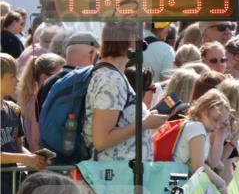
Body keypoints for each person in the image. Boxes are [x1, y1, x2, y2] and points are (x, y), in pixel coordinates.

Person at [83, 22, 168, 162]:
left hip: (121, 174)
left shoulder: (112, 74)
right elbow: (101, 140)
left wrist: (146, 118)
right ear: (130, 39)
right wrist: (145, 123)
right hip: (115, 176)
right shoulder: (111, 80)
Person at [1, 53, 48, 194]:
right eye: (12, 76)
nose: (17, 80)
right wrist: (25, 159)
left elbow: (19, 147)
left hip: (14, 189)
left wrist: (35, 159)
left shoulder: (14, 110)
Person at [167, 89, 229, 194]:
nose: (217, 126)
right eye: (215, 120)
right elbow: (198, 165)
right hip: (175, 183)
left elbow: (210, 161)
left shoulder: (198, 127)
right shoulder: (197, 128)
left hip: (176, 181)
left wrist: (221, 166)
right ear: (202, 110)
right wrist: (221, 184)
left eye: (221, 122)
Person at [35, 31, 99, 119]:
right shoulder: (90, 84)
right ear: (92, 53)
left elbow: (39, 122)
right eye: (98, 55)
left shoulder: (47, 84)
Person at [16, 53, 64, 151]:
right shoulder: (37, 102)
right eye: (60, 76)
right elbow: (35, 142)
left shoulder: (35, 99)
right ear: (44, 78)